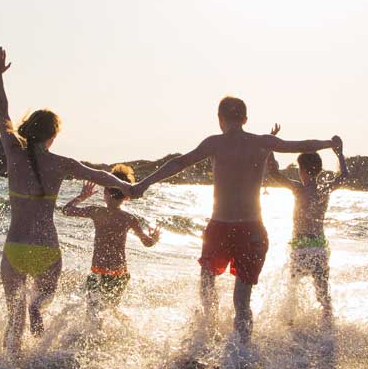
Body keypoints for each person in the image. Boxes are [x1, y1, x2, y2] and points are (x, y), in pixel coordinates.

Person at [131, 96, 342, 341]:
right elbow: (300, 145)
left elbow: (179, 163)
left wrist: (143, 184)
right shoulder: (262, 143)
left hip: (220, 227)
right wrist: (329, 143)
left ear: (220, 119)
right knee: (242, 302)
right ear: (244, 119)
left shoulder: (215, 143)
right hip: (252, 229)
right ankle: (242, 353)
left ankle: (206, 335)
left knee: (207, 282)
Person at [0, 47, 135, 352]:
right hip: (47, 248)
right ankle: (39, 341)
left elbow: (3, 111)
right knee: (38, 306)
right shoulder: (62, 162)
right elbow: (103, 176)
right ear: (53, 136)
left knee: (13, 322)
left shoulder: (13, 152)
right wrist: (134, 188)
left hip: (16, 247)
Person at [60, 165, 161, 310]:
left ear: (104, 191)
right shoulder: (129, 218)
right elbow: (147, 243)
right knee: (110, 310)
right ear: (126, 197)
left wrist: (82, 197)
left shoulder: (97, 212)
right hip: (119, 273)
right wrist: (154, 238)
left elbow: (66, 210)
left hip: (97, 271)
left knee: (92, 310)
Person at [267, 143, 348, 317]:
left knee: (292, 291)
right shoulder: (324, 189)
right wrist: (339, 154)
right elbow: (344, 176)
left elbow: (273, 173)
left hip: (300, 247)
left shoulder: (298, 189)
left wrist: (269, 146)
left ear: (302, 170)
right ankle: (328, 330)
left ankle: (290, 326)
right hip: (319, 247)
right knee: (323, 295)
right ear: (318, 170)